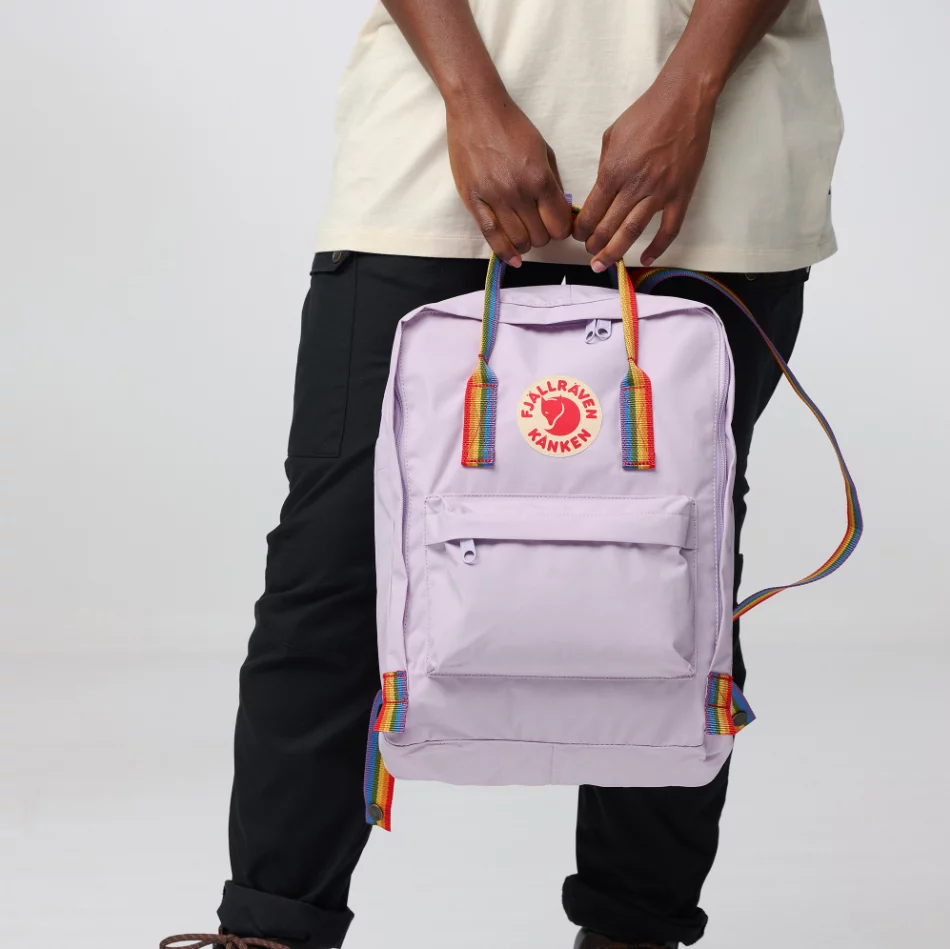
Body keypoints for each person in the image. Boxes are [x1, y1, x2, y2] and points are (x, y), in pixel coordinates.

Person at [162, 1, 842, 947]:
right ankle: (269, 932)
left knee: (668, 566)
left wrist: (690, 91)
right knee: (335, 561)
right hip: (432, 158)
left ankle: (634, 931)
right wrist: (473, 99)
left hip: (714, 157)